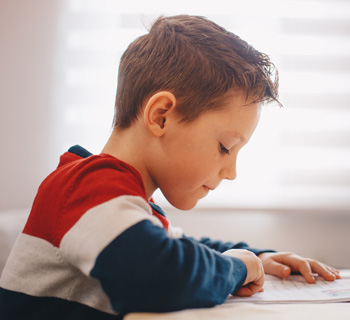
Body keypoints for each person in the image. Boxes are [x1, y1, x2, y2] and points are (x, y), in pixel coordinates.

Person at [0, 15, 340, 320]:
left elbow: (182, 246)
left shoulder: (126, 202)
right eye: (225, 147)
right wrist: (237, 267)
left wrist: (259, 258)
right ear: (161, 115)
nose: (231, 171)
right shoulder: (87, 187)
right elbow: (158, 273)